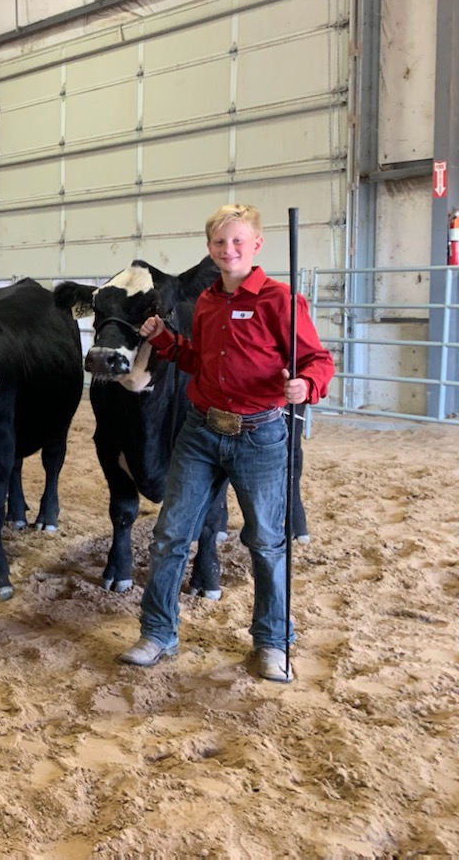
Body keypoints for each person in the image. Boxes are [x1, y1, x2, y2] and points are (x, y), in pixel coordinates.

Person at [118, 204, 334, 683]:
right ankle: (157, 633)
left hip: (260, 433)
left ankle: (272, 642)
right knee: (170, 535)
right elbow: (198, 360)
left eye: (238, 241)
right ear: (209, 248)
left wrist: (307, 385)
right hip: (201, 430)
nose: (228, 249)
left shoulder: (281, 300)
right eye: (220, 242)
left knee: (267, 542)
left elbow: (318, 360)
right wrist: (166, 341)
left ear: (256, 244)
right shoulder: (208, 302)